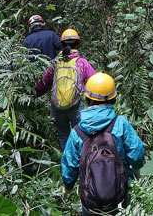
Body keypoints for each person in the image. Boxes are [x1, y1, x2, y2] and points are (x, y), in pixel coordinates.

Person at [61, 73, 145, 216]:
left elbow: (70, 166)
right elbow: (136, 154)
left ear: (87, 98)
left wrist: (67, 189)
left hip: (90, 200)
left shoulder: (78, 131)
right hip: (120, 196)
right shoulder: (121, 123)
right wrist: (136, 174)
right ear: (113, 98)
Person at [34, 28, 97, 150]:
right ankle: (82, 162)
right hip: (76, 104)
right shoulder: (81, 62)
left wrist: (32, 93)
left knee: (63, 135)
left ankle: (66, 163)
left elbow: (44, 83)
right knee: (81, 135)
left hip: (57, 105)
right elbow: (94, 81)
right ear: (78, 44)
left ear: (61, 45)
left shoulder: (55, 63)